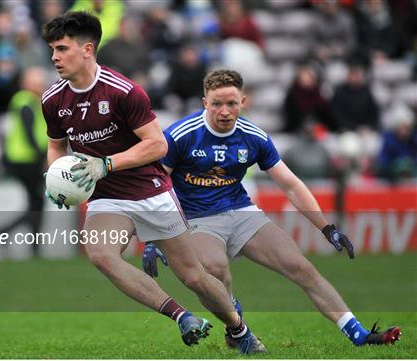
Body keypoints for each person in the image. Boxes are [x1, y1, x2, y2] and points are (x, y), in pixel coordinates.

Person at [40, 12, 264, 354]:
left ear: (87, 49)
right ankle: (181, 316)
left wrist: (107, 164)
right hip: (107, 198)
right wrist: (56, 177)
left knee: (194, 276)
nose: (54, 57)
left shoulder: (124, 91)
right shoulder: (53, 100)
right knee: (100, 253)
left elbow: (157, 145)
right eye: (52, 50)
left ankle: (239, 329)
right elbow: (56, 146)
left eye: (61, 48)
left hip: (151, 192)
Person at [142, 69, 401, 347]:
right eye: (217, 103)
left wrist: (326, 227)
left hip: (241, 211)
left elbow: (290, 184)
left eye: (231, 103)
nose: (225, 111)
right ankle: (237, 328)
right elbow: (154, 184)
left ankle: (358, 334)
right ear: (205, 103)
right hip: (196, 218)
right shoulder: (181, 135)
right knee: (215, 269)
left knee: (301, 268)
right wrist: (158, 237)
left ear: (244, 101)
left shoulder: (254, 136)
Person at [0, 67, 49, 257]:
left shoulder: (31, 101)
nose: (42, 85)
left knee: (36, 202)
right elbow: (29, 133)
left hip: (28, 160)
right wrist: (42, 155)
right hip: (25, 160)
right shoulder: (25, 101)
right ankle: (28, 243)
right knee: (37, 202)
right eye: (38, 81)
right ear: (28, 84)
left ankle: (12, 234)